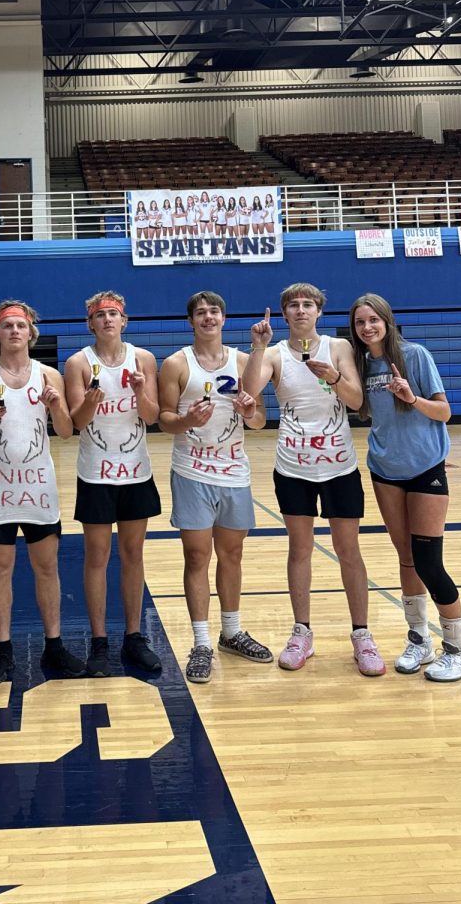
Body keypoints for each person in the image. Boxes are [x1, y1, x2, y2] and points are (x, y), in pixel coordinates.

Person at [242, 284, 385, 676]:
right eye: (293, 305)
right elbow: (249, 392)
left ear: (319, 312)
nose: (301, 310)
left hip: (339, 465)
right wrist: (258, 347)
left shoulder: (338, 348)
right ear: (284, 314)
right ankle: (301, 631)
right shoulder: (273, 353)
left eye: (308, 305)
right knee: (299, 549)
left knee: (348, 550)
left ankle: (361, 634)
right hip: (293, 467)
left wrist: (335, 377)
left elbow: (357, 402)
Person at [0, 300, 85, 684]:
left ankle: (55, 645)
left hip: (38, 487)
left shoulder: (48, 376)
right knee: (0, 569)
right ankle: (3, 651)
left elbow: (64, 430)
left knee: (47, 567)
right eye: (7, 326)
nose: (14, 331)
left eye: (20, 326)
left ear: (31, 333)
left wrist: (57, 406)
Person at [349, 294, 461, 681]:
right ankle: (419, 639)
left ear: (387, 320)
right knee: (406, 558)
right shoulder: (361, 365)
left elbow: (444, 411)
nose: (367, 327)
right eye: (360, 323)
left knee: (428, 561)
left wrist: (413, 398)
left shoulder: (414, 355)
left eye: (373, 320)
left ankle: (460, 648)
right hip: (385, 470)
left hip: (425, 468)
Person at [158, 291, 271, 684]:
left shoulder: (243, 361)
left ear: (224, 318)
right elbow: (164, 420)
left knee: (233, 554)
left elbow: (259, 420)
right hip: (191, 471)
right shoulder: (175, 364)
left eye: (215, 311)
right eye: (201, 313)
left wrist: (250, 410)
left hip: (234, 472)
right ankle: (201, 642)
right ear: (191, 321)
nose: (208, 317)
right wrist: (187, 420)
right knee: (196, 557)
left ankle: (231, 631)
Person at [64, 291, 162, 676]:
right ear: (90, 323)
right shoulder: (77, 363)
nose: (107, 320)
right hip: (96, 473)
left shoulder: (144, 360)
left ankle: (135, 637)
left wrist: (139, 391)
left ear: (125, 321)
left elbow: (152, 417)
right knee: (97, 557)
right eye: (100, 315)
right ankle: (100, 640)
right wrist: (91, 399)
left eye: (113, 314)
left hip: (136, 470)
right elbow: (76, 422)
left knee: (134, 555)